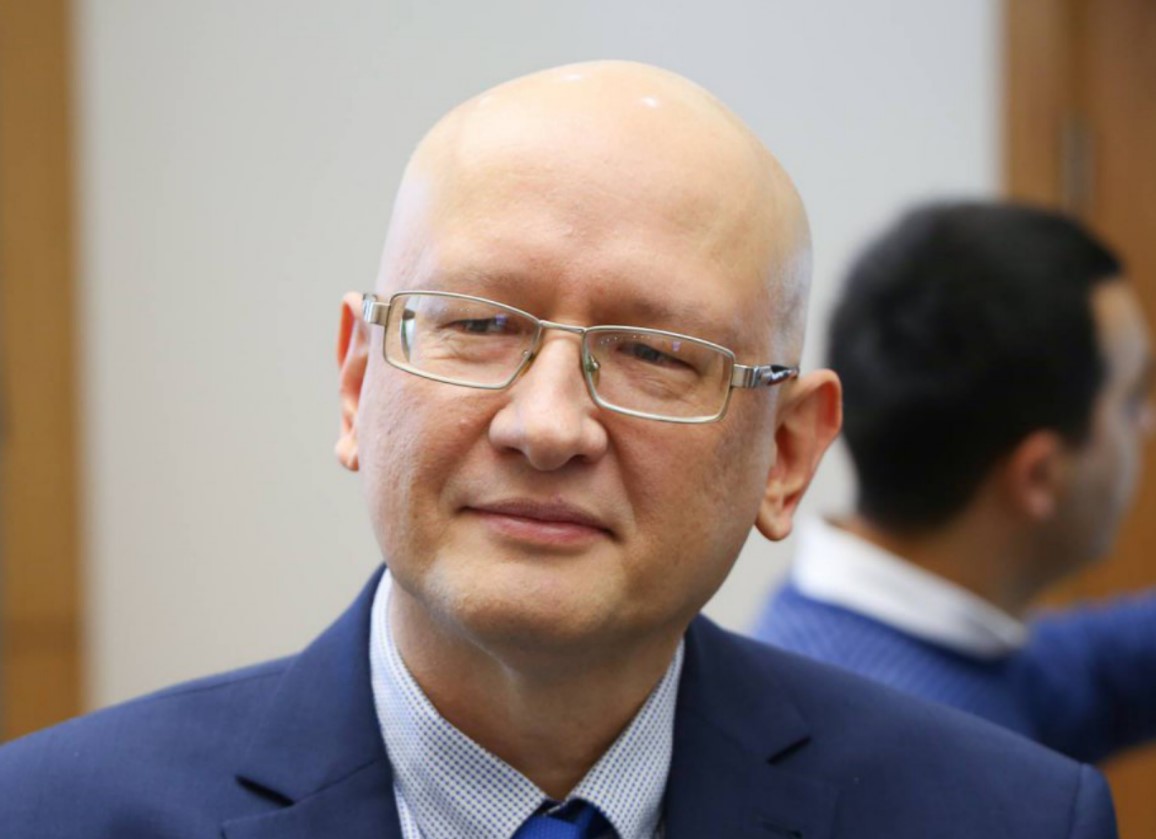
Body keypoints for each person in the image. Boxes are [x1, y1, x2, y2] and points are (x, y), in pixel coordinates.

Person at [0, 64, 1119, 838]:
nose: (544, 426)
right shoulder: (48, 815)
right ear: (356, 380)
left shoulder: (1004, 818)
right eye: (478, 325)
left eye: (654, 353)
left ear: (786, 453)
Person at [754, 201, 1156, 765]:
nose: (1146, 426)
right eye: (1132, 400)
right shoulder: (923, 766)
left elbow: (1102, 672)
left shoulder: (900, 637)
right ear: (1039, 475)